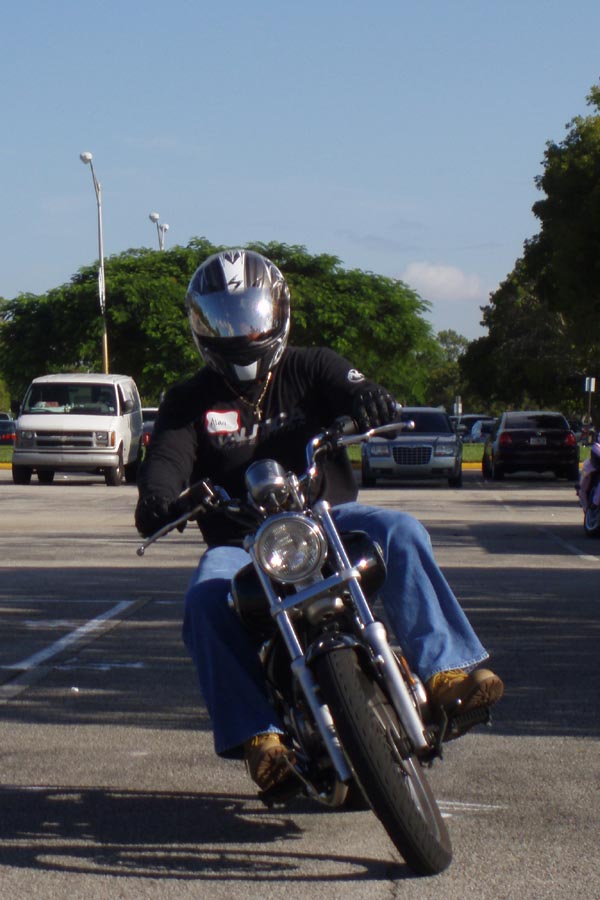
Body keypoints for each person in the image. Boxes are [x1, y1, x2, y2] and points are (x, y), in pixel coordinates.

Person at [135, 249, 502, 791]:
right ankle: (260, 737)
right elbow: (165, 463)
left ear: (277, 311)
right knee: (205, 601)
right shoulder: (188, 401)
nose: (240, 330)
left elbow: (355, 388)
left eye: (249, 314)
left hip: (330, 518)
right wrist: (158, 500)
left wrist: (371, 399)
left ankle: (444, 672)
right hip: (243, 542)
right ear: (201, 324)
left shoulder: (312, 366)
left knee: (401, 531)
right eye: (224, 319)